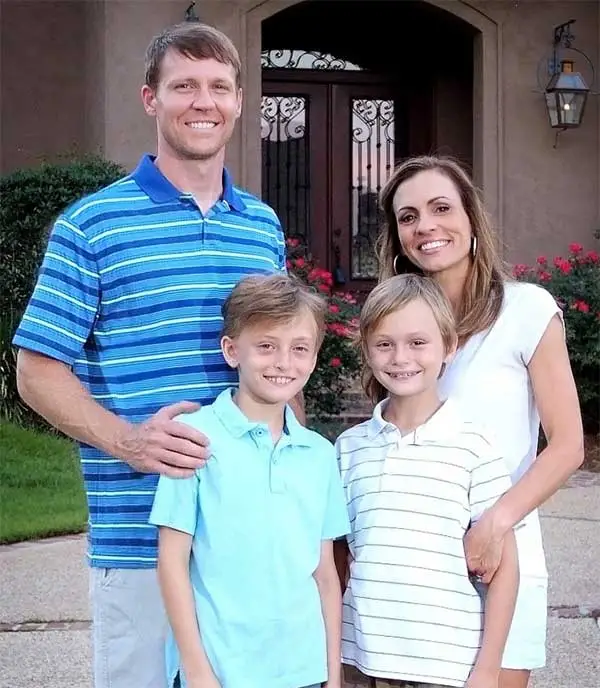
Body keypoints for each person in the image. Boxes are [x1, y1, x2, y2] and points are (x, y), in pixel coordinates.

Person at [12, 22, 290, 688]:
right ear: (150, 99)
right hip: (139, 540)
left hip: (246, 543)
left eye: (220, 86)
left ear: (239, 102)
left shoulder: (262, 225)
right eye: (184, 85)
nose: (204, 101)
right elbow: (36, 368)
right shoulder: (92, 224)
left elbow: (279, 368)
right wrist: (131, 443)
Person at [374, 156, 584, 688]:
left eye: (441, 208)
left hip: (502, 557)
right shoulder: (399, 329)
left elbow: (567, 446)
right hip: (415, 570)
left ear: (471, 218)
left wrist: (495, 523)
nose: (426, 226)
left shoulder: (526, 310)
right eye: (408, 216)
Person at [149, 273, 350, 688]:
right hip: (221, 671)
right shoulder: (193, 437)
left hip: (303, 671)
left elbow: (325, 576)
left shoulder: (319, 454)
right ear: (231, 350)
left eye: (299, 349)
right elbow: (171, 562)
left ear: (313, 358)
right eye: (265, 346)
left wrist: (332, 676)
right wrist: (197, 670)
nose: (283, 362)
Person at [337, 274, 519, 688]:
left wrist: (488, 670)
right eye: (385, 344)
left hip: (445, 667)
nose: (401, 357)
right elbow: (338, 560)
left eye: (418, 342)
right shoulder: (348, 448)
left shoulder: (475, 445)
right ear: (367, 350)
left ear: (448, 347)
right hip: (361, 663)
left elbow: (506, 569)